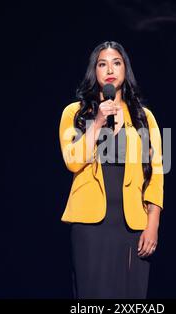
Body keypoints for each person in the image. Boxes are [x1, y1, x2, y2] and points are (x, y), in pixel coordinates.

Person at [58, 41, 164, 299]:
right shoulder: (74, 113)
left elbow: (158, 171)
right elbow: (71, 161)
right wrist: (98, 123)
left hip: (133, 224)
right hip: (90, 225)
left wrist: (153, 224)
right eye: (102, 64)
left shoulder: (145, 117)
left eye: (116, 62)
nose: (110, 69)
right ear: (94, 72)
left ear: (125, 69)